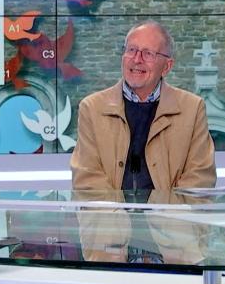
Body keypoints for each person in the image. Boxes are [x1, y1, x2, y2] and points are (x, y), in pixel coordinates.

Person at [70, 21, 216, 190]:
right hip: (109, 216)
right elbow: (86, 178)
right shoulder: (92, 108)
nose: (137, 60)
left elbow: (200, 177)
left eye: (148, 53)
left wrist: (166, 214)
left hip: (170, 215)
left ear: (167, 66)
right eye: (131, 50)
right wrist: (116, 216)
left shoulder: (192, 109)